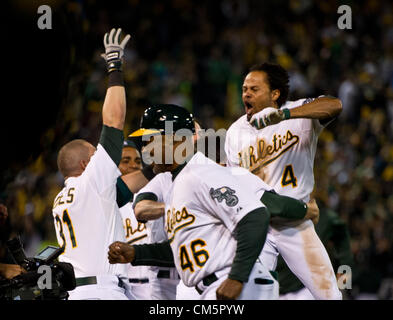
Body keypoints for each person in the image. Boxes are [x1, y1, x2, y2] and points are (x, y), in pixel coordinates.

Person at [108, 104, 320, 300]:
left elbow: (256, 216)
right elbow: (183, 250)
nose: (146, 150)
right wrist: (136, 253)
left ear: (180, 140)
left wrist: (237, 278)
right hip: (215, 285)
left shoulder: (200, 173)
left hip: (235, 282)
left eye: (152, 140)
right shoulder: (177, 183)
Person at [224, 62, 343, 300]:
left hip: (295, 223)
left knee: (330, 295)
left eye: (254, 89)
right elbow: (237, 185)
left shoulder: (299, 112)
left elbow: (335, 105)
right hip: (258, 223)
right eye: (244, 88)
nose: (246, 93)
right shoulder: (235, 132)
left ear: (275, 94)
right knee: (251, 292)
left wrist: (284, 115)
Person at [52, 28, 156, 300]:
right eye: (95, 155)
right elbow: (114, 121)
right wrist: (115, 66)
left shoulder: (65, 196)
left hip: (79, 291)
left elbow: (123, 186)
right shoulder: (92, 183)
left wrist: (158, 166)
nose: (102, 158)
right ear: (87, 163)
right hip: (101, 291)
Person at [277, 204, 353, 300]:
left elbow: (343, 238)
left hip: (307, 290)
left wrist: (344, 275)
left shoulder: (324, 217)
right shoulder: (268, 210)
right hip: (273, 288)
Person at [118, 140, 151, 299]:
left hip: (158, 283)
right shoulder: (108, 205)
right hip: (125, 288)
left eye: (138, 161)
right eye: (126, 161)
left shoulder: (154, 194)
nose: (133, 165)